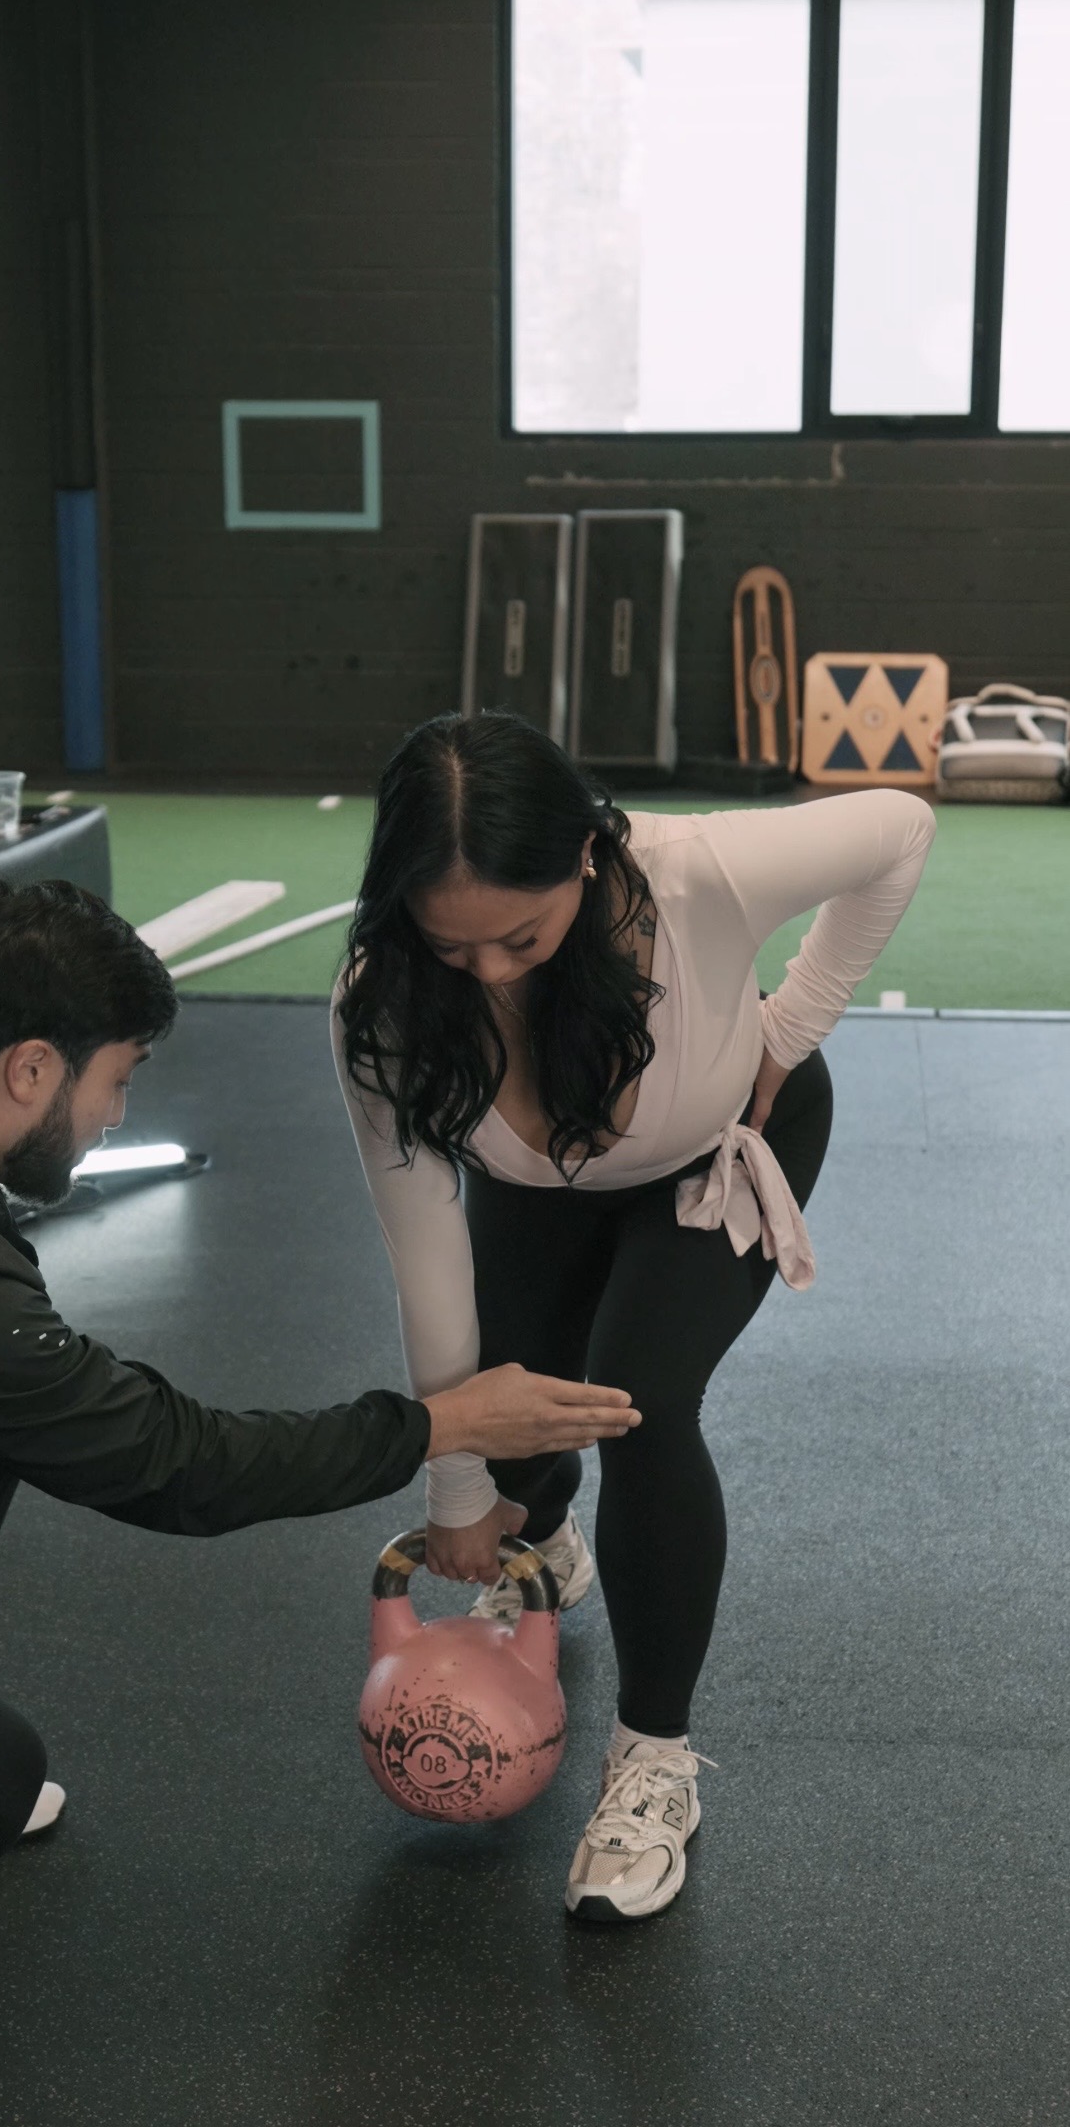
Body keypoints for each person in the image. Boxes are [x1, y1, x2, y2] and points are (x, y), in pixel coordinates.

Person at [0, 878, 640, 1918]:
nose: (117, 1116)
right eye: (119, 1079)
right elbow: (165, 1458)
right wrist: (441, 1425)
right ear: (31, 1068)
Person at [333, 712, 935, 1925]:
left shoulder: (698, 872)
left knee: (637, 1398)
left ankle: (655, 1762)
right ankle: (541, 1545)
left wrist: (797, 1018)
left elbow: (901, 828)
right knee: (518, 1408)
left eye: (522, 934)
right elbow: (426, 1262)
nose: (493, 971)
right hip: (539, 1177)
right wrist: (460, 1496)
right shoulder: (382, 1006)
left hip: (721, 1141)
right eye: (456, 950)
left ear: (586, 859)